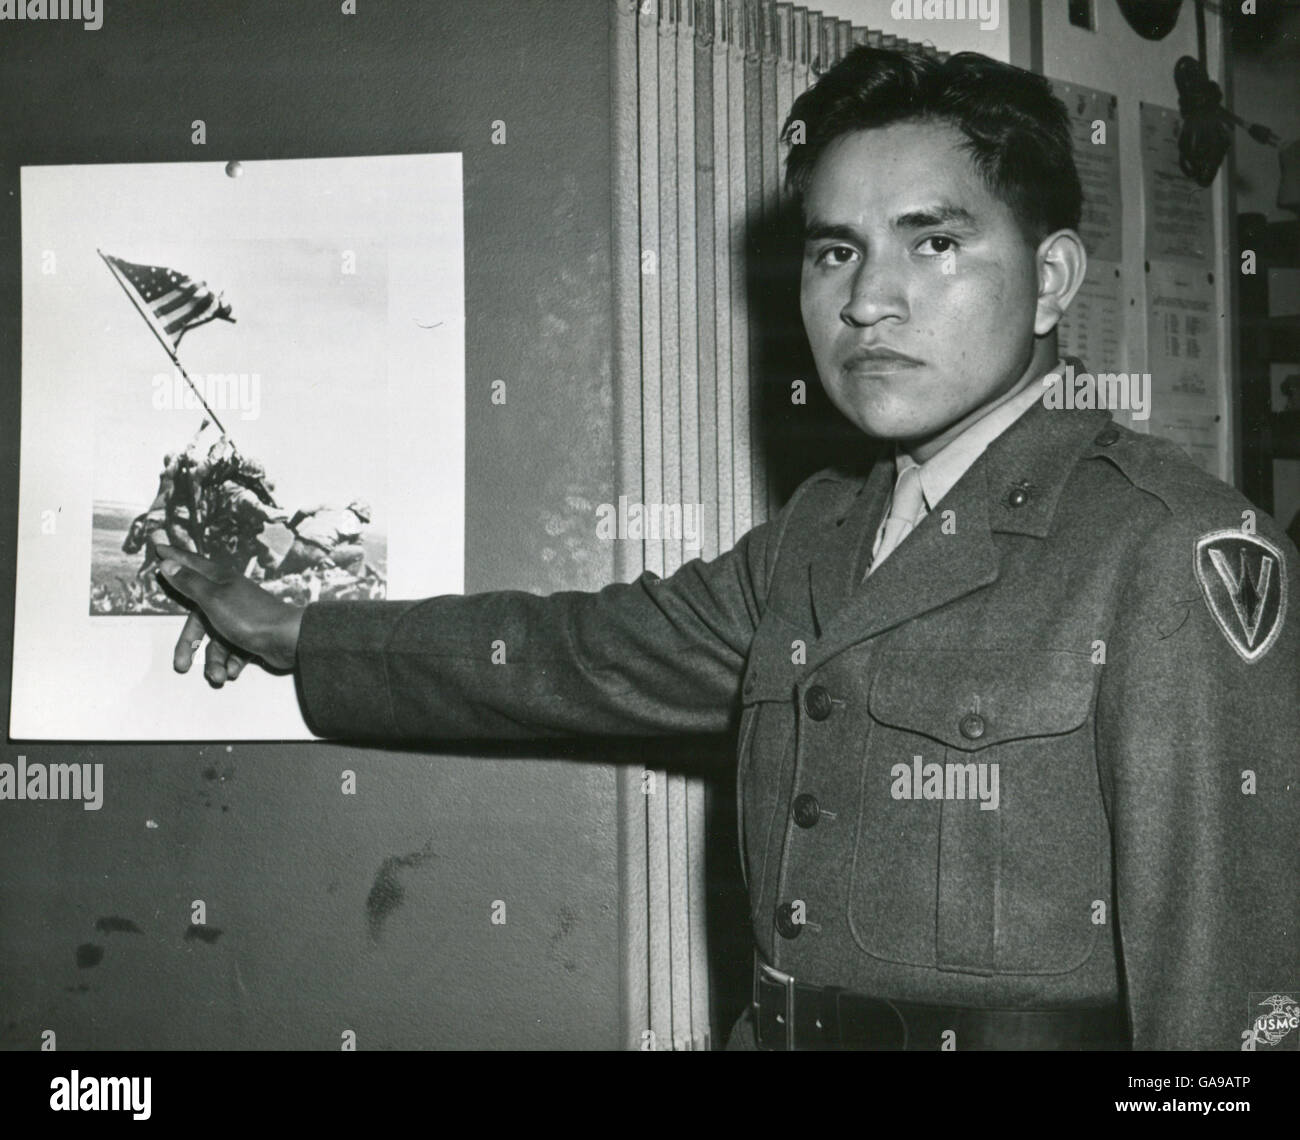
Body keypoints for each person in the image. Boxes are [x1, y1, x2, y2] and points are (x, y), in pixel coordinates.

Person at [152, 48, 1297, 1051]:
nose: (869, 302)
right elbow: (579, 651)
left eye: (933, 242)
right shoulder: (826, 529)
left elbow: (1231, 1002)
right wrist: (306, 632)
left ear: (1049, 281)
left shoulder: (1168, 548)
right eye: (834, 253)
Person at [273, 500, 370, 578]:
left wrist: (292, 525)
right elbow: (353, 548)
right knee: (360, 553)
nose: (362, 522)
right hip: (319, 553)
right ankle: (346, 581)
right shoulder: (358, 527)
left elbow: (302, 511)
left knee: (280, 577)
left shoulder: (330, 506)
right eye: (363, 520)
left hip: (298, 544)